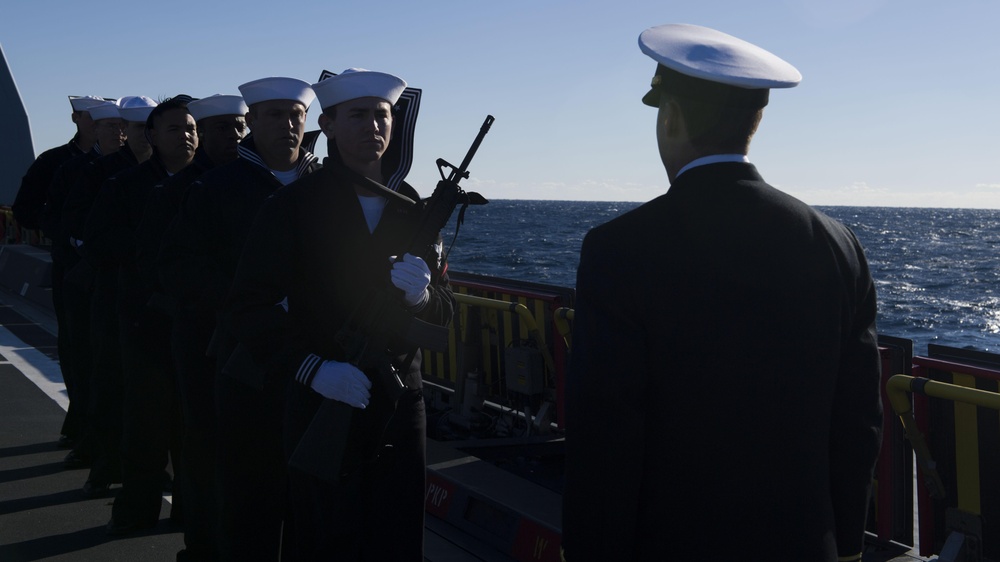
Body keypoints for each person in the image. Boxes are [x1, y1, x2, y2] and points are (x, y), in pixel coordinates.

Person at [561, 24, 883, 562]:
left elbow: (606, 431)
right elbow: (857, 421)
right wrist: (845, 543)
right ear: (754, 121)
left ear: (671, 117)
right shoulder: (836, 243)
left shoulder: (618, 249)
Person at [224, 68, 454, 560]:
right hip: (322, 393)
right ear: (326, 125)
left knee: (395, 537)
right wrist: (313, 369)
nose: (373, 126)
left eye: (381, 115)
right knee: (324, 536)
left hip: (398, 400)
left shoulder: (413, 210)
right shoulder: (291, 205)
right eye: (357, 115)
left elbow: (444, 312)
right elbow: (248, 306)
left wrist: (421, 298)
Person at [158, 77, 320, 562]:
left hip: (309, 359)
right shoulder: (216, 187)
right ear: (253, 123)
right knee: (239, 482)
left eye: (296, 115)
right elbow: (178, 267)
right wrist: (251, 305)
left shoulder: (325, 187)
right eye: (274, 115)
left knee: (306, 486)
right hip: (236, 355)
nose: (288, 125)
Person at [137, 93, 248, 561]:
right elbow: (160, 265)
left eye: (239, 127)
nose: (234, 136)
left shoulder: (258, 185)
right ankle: (200, 543)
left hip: (254, 340)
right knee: (201, 440)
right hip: (197, 334)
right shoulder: (179, 191)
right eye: (221, 128)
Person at [83, 95, 197, 534]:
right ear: (151, 135)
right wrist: (149, 250)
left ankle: (191, 510)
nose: (186, 136)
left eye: (190, 129)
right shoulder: (126, 186)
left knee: (195, 430)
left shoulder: (210, 184)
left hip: (196, 323)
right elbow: (97, 241)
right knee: (146, 425)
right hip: (144, 321)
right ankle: (136, 511)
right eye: (175, 129)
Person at [68, 94, 158, 499]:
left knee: (159, 395)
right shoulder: (106, 175)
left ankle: (159, 472)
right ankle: (103, 466)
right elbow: (86, 232)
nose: (133, 136)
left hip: (162, 301)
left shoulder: (181, 177)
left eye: (141, 128)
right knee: (109, 383)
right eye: (132, 128)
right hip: (114, 294)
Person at [12, 94, 105, 449]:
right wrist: (64, 234)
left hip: (111, 271)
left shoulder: (127, 166)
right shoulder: (54, 163)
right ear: (76, 119)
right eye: (92, 117)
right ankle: (81, 421)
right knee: (77, 347)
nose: (100, 124)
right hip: (72, 269)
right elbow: (26, 210)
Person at [45, 100, 126, 470]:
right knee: (86, 359)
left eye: (121, 125)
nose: (116, 133)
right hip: (81, 278)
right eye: (107, 125)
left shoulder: (139, 174)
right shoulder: (70, 168)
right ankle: (91, 442)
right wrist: (76, 246)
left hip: (124, 284)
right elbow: (42, 213)